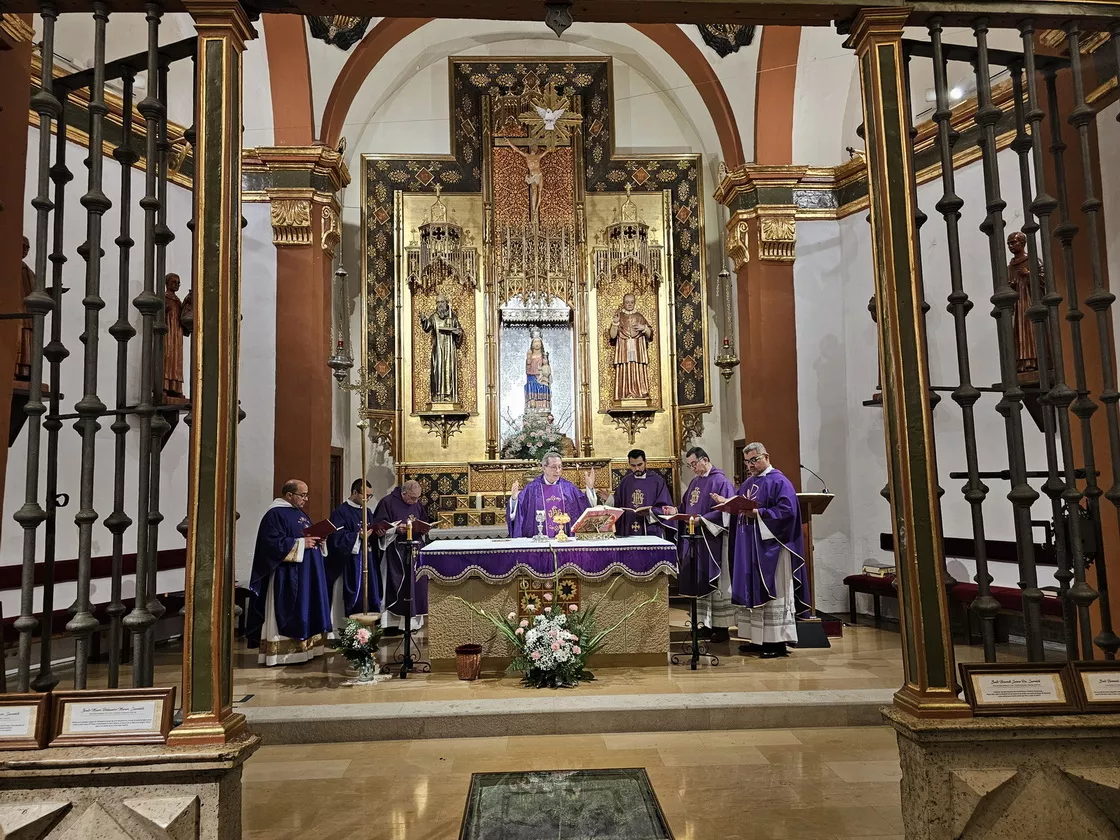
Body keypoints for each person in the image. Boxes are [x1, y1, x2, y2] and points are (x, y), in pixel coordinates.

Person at [714, 442, 810, 659]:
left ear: (766, 456)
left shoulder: (780, 481)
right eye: (747, 461)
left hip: (772, 549)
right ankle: (757, 639)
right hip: (751, 549)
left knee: (773, 594)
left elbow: (787, 512)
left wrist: (758, 513)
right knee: (753, 591)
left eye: (754, 460)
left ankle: (776, 643)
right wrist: (726, 504)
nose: (750, 465)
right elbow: (739, 506)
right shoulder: (749, 482)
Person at [246, 480, 333, 666]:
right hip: (286, 576)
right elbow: (270, 544)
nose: (306, 499)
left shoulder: (298, 513)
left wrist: (319, 540)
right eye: (303, 495)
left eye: (306, 495)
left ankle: (308, 648)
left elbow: (305, 536)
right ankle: (282, 653)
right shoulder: (274, 514)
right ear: (289, 495)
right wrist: (302, 543)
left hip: (305, 573)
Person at [668, 446, 736, 644]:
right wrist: (674, 509)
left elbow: (727, 510)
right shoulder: (695, 482)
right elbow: (686, 507)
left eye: (694, 464)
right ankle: (705, 625)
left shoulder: (721, 481)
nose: (693, 469)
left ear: (705, 459)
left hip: (713, 540)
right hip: (697, 541)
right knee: (700, 582)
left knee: (716, 584)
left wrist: (703, 520)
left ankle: (721, 628)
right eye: (689, 466)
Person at [372, 480, 431, 635]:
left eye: (417, 498)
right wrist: (396, 529)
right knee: (396, 582)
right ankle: (391, 622)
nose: (415, 501)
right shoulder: (387, 502)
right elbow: (379, 526)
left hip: (415, 549)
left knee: (416, 583)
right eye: (412, 498)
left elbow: (423, 520)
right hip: (395, 550)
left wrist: (424, 529)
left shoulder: (416, 503)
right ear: (403, 493)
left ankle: (413, 622)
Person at [326, 479, 381, 630]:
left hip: (367, 558)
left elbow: (372, 533)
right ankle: (346, 630)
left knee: (370, 592)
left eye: (370, 496)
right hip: (350, 561)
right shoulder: (340, 512)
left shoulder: (367, 512)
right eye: (365, 495)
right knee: (353, 595)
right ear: (355, 492)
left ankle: (368, 626)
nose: (367, 500)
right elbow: (336, 538)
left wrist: (378, 532)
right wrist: (358, 537)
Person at [507, 451, 595, 539]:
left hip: (564, 541)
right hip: (539, 542)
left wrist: (590, 489)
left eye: (560, 467)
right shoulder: (532, 488)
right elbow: (519, 510)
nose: (557, 470)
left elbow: (584, 506)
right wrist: (514, 500)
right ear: (544, 467)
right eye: (553, 467)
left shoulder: (568, 488)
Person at [607, 449, 673, 537]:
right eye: (633, 465)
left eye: (639, 465)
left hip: (650, 526)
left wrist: (650, 511)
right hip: (629, 526)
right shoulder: (626, 482)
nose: (637, 468)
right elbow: (618, 503)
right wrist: (609, 499)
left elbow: (665, 506)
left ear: (645, 462)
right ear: (629, 464)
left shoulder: (657, 481)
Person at [609, 294, 654, 402]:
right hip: (624, 348)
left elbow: (650, 334)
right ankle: (623, 394)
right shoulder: (619, 316)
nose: (629, 304)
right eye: (627, 302)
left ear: (634, 302)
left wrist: (644, 328)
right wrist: (615, 323)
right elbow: (613, 336)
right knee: (625, 368)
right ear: (623, 303)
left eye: (631, 302)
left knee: (637, 368)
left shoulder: (639, 316)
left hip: (637, 348)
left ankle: (640, 393)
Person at [420, 294, 463, 404]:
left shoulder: (452, 317)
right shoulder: (434, 317)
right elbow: (427, 327)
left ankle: (449, 396)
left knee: (449, 371)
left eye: (442, 302)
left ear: (446, 303)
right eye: (438, 303)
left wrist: (457, 333)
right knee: (437, 371)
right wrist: (424, 320)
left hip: (449, 350)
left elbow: (459, 331)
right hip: (438, 350)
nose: (440, 305)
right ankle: (437, 396)